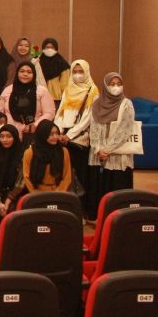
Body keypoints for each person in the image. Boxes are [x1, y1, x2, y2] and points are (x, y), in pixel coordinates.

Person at [55, 59, 99, 217]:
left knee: (79, 177)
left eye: (81, 71)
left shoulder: (92, 90)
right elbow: (61, 111)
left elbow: (88, 118)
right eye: (75, 71)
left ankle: (79, 212)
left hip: (78, 140)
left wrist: (69, 135)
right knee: (64, 175)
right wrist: (57, 131)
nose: (78, 74)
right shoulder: (68, 88)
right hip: (62, 138)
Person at [86, 72, 136, 204]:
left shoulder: (127, 104)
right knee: (99, 189)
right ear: (105, 86)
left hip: (117, 155)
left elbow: (124, 131)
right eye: (112, 84)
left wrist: (107, 150)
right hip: (99, 155)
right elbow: (94, 128)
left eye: (119, 84)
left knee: (117, 191)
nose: (116, 87)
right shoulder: (97, 104)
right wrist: (98, 149)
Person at [0, 61, 55, 141]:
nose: (25, 74)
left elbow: (50, 112)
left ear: (34, 74)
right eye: (22, 71)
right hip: (10, 137)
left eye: (29, 72)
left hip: (34, 134)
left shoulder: (41, 91)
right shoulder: (7, 90)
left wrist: (35, 125)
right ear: (17, 73)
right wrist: (5, 129)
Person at [23, 120, 72, 193]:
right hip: (36, 193)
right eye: (51, 134)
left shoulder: (63, 151)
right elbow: (26, 177)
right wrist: (35, 194)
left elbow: (67, 177)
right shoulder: (29, 153)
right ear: (42, 134)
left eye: (57, 133)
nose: (55, 137)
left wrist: (58, 193)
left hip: (59, 193)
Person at [0, 124, 24, 215]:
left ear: (15, 137)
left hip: (16, 194)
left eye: (9, 136)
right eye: (2, 136)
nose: (5, 140)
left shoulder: (22, 155)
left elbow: (21, 181)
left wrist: (7, 202)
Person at [33, 37, 70, 102]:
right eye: (47, 47)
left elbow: (65, 84)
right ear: (43, 48)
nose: (49, 49)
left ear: (56, 48)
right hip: (38, 97)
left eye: (52, 47)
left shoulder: (63, 64)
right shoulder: (37, 62)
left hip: (56, 99)